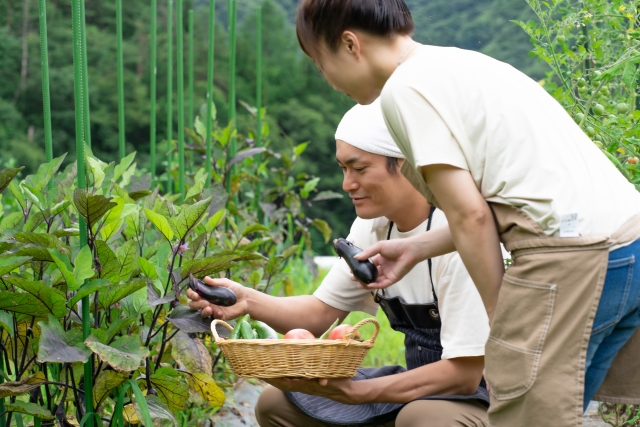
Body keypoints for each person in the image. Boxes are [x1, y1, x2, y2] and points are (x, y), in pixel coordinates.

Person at [294, 0, 640, 426]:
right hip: (627, 245)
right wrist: (417, 247)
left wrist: (501, 336)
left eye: (319, 63)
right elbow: (508, 198)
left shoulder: (404, 89)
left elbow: (470, 216)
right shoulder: (461, 64)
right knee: (558, 412)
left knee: (524, 414)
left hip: (571, 254)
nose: (327, 80)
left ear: (349, 44)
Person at [188, 100, 491, 426]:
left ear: (406, 164)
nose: (347, 184)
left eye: (359, 169)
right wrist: (247, 300)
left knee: (424, 419)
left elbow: (464, 375)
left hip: (488, 398)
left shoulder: (456, 232)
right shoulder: (372, 228)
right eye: (343, 169)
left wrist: (360, 392)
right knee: (278, 404)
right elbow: (319, 314)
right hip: (420, 389)